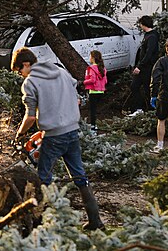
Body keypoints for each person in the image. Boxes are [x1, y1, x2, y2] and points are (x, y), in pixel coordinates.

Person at [11, 47, 104, 230]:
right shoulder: (60, 71)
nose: (20, 75)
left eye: (19, 70)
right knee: (80, 177)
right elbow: (76, 100)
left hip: (54, 137)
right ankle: (96, 222)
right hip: (72, 132)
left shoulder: (30, 82)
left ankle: (42, 224)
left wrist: (19, 134)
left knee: (43, 179)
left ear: (26, 64)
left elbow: (29, 117)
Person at [124, 15, 160, 116]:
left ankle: (151, 110)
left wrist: (140, 66)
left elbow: (149, 54)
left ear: (144, 24)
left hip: (147, 67)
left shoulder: (152, 37)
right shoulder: (147, 35)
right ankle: (138, 108)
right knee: (134, 86)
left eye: (141, 24)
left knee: (147, 88)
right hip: (143, 66)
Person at [83, 50, 107, 132]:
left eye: (90, 56)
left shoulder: (91, 68)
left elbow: (92, 80)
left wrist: (84, 82)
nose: (89, 58)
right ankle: (95, 124)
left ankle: (93, 126)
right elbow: (106, 81)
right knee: (96, 109)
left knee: (92, 110)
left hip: (93, 91)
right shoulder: (103, 68)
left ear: (93, 58)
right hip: (101, 91)